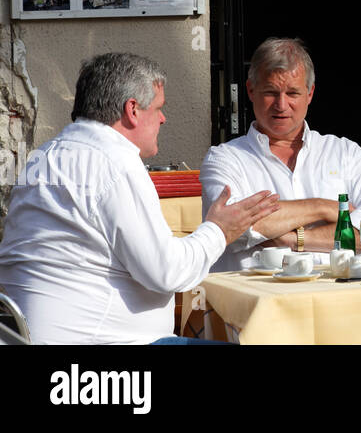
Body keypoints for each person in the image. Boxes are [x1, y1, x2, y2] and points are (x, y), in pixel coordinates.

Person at [0, 53, 279, 344]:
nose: (163, 118)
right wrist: (218, 231)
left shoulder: (44, 156)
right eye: (158, 108)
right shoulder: (114, 162)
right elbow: (165, 272)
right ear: (132, 109)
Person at [200, 37, 361, 271]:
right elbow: (235, 225)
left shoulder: (345, 153)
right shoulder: (224, 159)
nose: (281, 105)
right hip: (263, 301)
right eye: (271, 92)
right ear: (251, 91)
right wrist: (322, 207)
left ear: (310, 93)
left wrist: (294, 240)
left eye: (292, 93)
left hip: (340, 296)